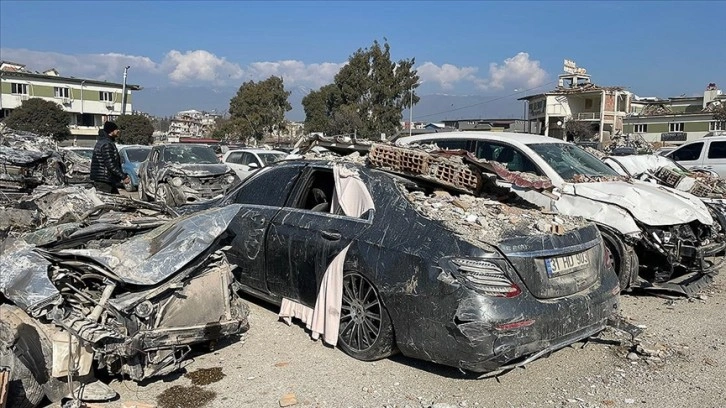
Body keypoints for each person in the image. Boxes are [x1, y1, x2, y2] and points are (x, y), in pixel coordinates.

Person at [90, 121, 129, 194]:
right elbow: (111, 164)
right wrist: (123, 176)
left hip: (107, 179)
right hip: (104, 180)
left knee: (116, 202)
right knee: (108, 203)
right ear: (111, 131)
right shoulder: (107, 144)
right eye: (116, 129)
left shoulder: (104, 142)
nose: (118, 131)